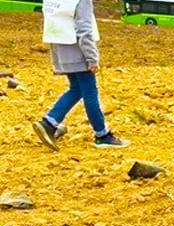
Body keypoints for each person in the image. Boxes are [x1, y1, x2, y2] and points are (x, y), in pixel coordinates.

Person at [31, 0, 128, 150]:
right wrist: (92, 58)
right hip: (78, 52)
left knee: (76, 88)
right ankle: (102, 135)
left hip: (61, 51)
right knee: (90, 91)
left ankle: (49, 123)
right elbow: (84, 30)